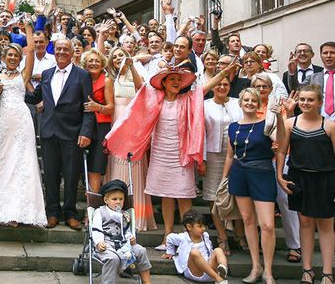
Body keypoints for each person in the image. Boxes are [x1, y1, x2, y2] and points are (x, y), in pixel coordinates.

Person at [105, 63, 235, 249]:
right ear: (164, 83)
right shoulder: (156, 98)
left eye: (178, 79)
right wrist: (132, 66)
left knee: (184, 198)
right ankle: (168, 236)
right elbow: (140, 86)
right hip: (160, 154)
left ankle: (189, 240)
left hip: (182, 155)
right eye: (172, 79)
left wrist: (224, 71)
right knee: (166, 197)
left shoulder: (188, 99)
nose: (176, 82)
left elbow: (205, 87)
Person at [25, 38, 94, 231]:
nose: (62, 52)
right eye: (58, 49)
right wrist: (13, 85)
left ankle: (71, 213)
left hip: (72, 133)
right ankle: (52, 212)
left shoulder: (82, 75)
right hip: (48, 131)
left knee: (72, 175)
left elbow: (88, 107)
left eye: (66, 49)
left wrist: (86, 131)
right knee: (51, 175)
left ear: (72, 53)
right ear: (54, 51)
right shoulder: (47, 74)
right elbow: (34, 96)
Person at [0, 22, 46, 227]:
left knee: (22, 161)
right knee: (0, 160)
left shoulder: (24, 75)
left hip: (21, 120)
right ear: (3, 57)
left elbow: (31, 50)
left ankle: (21, 209)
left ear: (19, 59)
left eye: (15, 56)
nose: (12, 58)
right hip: (1, 120)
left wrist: (27, 27)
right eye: (9, 55)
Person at [221, 88, 281, 284]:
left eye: (253, 100)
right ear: (240, 103)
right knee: (247, 220)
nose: (249, 103)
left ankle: (269, 273)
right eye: (245, 100)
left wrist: (281, 116)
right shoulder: (233, 127)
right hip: (239, 174)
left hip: (262, 173)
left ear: (258, 103)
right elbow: (230, 155)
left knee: (267, 225)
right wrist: (224, 179)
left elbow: (281, 142)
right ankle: (256, 266)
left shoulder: (267, 123)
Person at [277, 85, 334, 284]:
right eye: (302, 99)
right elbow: (282, 152)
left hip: (324, 179)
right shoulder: (290, 123)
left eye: (310, 100)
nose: (305, 103)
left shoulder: (329, 126)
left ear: (320, 102)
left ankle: (327, 273)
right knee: (305, 223)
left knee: (326, 225)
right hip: (299, 178)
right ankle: (307, 270)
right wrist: (280, 176)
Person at [251, 72, 301, 263]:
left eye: (265, 86)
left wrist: (287, 112)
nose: (261, 90)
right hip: (256, 161)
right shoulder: (247, 104)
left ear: (271, 89)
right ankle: (259, 244)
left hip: (278, 159)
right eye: (258, 86)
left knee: (285, 200)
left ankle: (295, 245)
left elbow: (284, 132)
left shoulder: (277, 107)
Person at [104, 46, 155, 231]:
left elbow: (141, 87)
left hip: (133, 127)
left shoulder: (135, 74)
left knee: (134, 167)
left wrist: (131, 65)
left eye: (121, 55)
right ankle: (114, 211)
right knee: (116, 165)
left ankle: (137, 216)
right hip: (116, 124)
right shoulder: (110, 77)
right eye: (115, 56)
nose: (118, 59)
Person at [202, 76, 245, 255]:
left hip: (237, 155)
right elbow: (200, 132)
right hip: (213, 154)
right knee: (214, 196)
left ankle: (240, 234)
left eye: (225, 84)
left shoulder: (237, 103)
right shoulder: (205, 105)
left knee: (237, 195)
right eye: (218, 84)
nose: (221, 87)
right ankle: (222, 237)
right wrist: (202, 158)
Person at [92, 180, 156, 284]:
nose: (118, 202)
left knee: (141, 251)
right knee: (113, 258)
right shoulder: (100, 212)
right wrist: (98, 242)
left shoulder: (124, 214)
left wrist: (130, 237)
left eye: (121, 199)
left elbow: (126, 230)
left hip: (123, 244)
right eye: (114, 199)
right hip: (106, 244)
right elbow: (96, 229)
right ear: (106, 200)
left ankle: (147, 283)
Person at [163, 210, 229, 284]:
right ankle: (218, 278)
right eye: (200, 226)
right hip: (195, 273)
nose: (204, 228)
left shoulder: (205, 236)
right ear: (189, 227)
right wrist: (170, 252)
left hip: (209, 271)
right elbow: (169, 237)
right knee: (195, 252)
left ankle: (223, 269)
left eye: (204, 225)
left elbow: (210, 251)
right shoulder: (182, 237)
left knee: (218, 250)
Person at [82, 48, 114, 194]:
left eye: (97, 61)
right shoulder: (82, 79)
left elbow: (110, 108)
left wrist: (97, 107)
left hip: (101, 126)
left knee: (95, 166)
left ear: (102, 64)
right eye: (91, 61)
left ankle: (92, 207)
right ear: (85, 64)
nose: (94, 63)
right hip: (82, 125)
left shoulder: (106, 81)